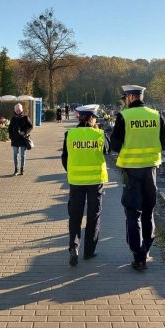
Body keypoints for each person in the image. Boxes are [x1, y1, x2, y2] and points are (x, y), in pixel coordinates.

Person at [111, 85, 165, 271]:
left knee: (132, 212)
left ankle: (138, 255)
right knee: (148, 210)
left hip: (131, 171)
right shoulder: (155, 115)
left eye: (125, 99)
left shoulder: (124, 116)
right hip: (151, 170)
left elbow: (114, 144)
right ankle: (147, 248)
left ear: (130, 98)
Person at [61, 104, 110, 266]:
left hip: (76, 181)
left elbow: (64, 158)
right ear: (91, 117)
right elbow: (108, 150)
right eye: (95, 117)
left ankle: (74, 247)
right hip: (95, 181)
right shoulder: (99, 135)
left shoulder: (70, 134)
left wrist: (72, 170)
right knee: (93, 216)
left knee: (75, 216)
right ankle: (89, 251)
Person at [8, 103, 33, 176]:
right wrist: (11, 136)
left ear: (21, 110)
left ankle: (22, 169)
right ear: (15, 110)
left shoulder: (25, 117)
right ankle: (16, 169)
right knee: (15, 155)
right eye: (16, 110)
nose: (18, 111)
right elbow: (9, 128)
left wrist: (25, 132)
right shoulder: (13, 118)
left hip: (23, 139)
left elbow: (30, 126)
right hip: (15, 139)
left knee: (22, 155)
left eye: (19, 110)